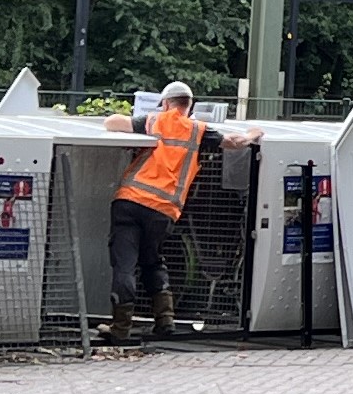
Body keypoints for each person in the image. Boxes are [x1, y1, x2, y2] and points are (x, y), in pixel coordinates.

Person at [108, 81, 254, 345]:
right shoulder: (199, 130)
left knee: (125, 265)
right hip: (163, 211)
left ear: (165, 103)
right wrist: (254, 133)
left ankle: (120, 329)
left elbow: (112, 123)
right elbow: (235, 142)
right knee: (153, 260)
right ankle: (165, 321)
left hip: (129, 203)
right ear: (190, 106)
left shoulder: (153, 121)